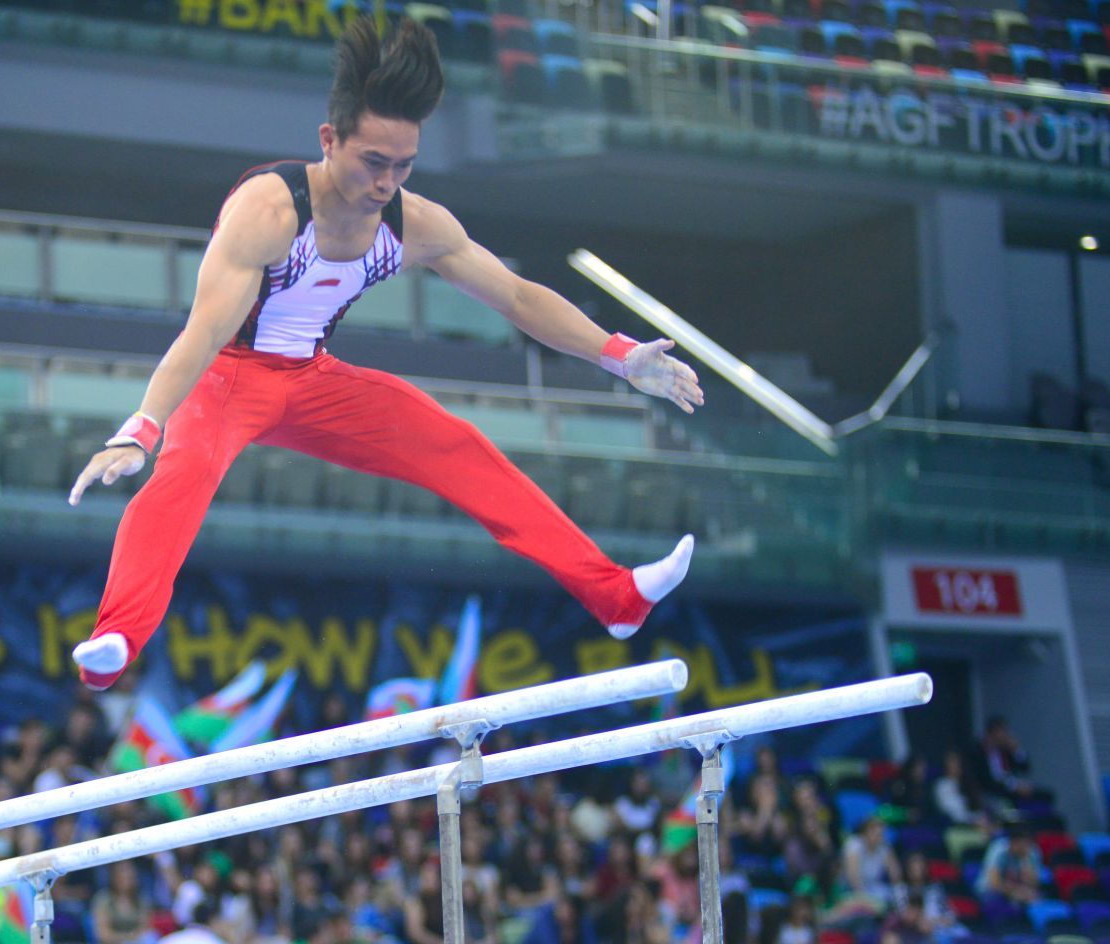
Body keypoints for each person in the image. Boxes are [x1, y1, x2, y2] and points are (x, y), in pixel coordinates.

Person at [66, 17, 702, 691]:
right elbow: (202, 335)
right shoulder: (270, 210)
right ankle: (117, 640)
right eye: (373, 162)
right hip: (228, 375)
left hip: (313, 380)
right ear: (329, 140)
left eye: (403, 166)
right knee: (181, 477)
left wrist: (621, 355)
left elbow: (517, 298)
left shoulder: (413, 223)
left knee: (457, 446)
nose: (386, 182)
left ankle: (616, 598)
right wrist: (142, 428)